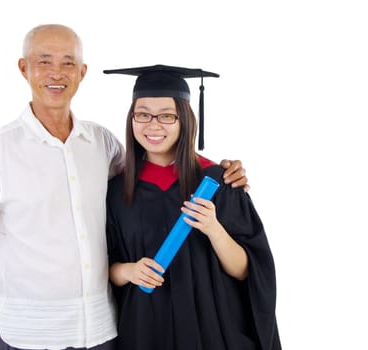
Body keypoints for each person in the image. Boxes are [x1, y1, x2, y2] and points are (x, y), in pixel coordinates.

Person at [0, 25, 249, 350]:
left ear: (81, 72)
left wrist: (222, 170)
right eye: (44, 61)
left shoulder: (100, 143)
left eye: (67, 63)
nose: (56, 73)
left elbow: (152, 162)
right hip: (30, 335)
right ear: (24, 68)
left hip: (103, 333)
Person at [104, 65, 281, 350]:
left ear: (185, 120)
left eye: (166, 116)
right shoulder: (116, 191)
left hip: (211, 326)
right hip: (145, 328)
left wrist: (213, 228)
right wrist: (128, 271)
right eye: (143, 114)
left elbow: (245, 270)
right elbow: (103, 265)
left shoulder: (218, 182)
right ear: (131, 119)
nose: (153, 125)